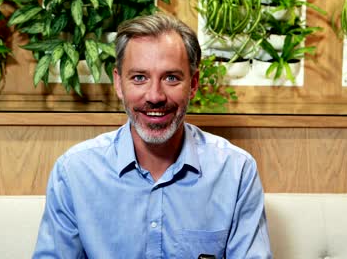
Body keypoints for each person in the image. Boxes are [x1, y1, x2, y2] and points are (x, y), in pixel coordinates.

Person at [33, 13, 272, 258]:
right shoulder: (74, 172)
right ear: (118, 84)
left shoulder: (237, 171)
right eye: (139, 77)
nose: (155, 96)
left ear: (193, 84)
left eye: (171, 78)